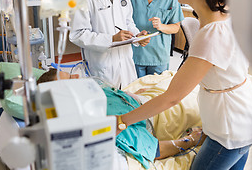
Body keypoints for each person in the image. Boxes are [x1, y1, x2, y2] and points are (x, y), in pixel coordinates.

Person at [117, 0, 252, 170]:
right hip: (243, 117)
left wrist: (122, 121)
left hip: (230, 130)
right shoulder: (224, 16)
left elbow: (171, 98)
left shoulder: (211, 34)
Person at [37, 68, 205, 168]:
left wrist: (130, 95)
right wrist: (191, 140)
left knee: (173, 78)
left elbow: (116, 92)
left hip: (144, 98)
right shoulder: (104, 122)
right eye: (70, 80)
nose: (76, 76)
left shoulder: (92, 91)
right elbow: (155, 150)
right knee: (196, 96)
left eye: (70, 74)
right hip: (158, 115)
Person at [129, 0, 184, 77]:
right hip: (135, 54)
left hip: (158, 57)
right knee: (134, 92)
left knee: (155, 92)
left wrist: (161, 26)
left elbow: (176, 27)